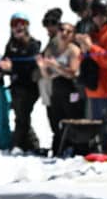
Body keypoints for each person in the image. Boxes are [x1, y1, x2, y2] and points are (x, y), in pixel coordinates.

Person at [36, 20, 85, 156]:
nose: (64, 33)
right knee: (56, 119)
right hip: (56, 87)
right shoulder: (52, 49)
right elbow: (48, 75)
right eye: (61, 30)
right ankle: (59, 147)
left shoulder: (73, 50)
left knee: (72, 118)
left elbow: (73, 72)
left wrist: (55, 65)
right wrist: (43, 67)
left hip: (71, 88)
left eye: (68, 31)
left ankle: (75, 147)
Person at [0, 11, 42, 153]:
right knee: (21, 115)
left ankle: (17, 144)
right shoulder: (11, 44)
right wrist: (3, 66)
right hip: (16, 86)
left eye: (22, 24)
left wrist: (13, 67)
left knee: (22, 115)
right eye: (15, 24)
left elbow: (30, 65)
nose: (18, 27)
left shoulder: (33, 44)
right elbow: (7, 61)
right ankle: (30, 144)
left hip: (29, 86)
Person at [75, 0, 107, 121]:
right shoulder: (92, 32)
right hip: (95, 89)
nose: (99, 18)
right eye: (95, 14)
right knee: (98, 130)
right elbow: (82, 59)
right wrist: (84, 50)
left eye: (102, 14)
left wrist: (90, 47)